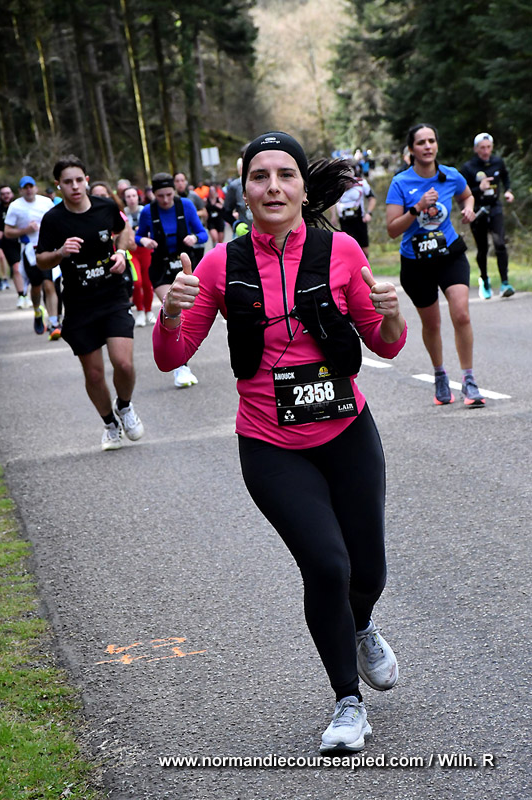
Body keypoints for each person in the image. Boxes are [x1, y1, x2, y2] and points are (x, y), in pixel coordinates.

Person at [153, 131, 407, 752]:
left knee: (368, 571)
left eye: (285, 174)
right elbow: (171, 357)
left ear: (301, 187)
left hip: (347, 432)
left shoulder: (340, 250)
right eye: (260, 176)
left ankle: (360, 623)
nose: (273, 186)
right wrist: (170, 312)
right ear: (243, 189)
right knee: (327, 565)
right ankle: (348, 703)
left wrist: (392, 312)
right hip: (270, 443)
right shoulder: (221, 265)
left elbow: (388, 344)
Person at [36, 155, 144, 451]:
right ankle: (110, 424)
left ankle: (125, 405)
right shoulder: (53, 219)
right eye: (67, 182)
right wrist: (60, 252)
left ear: (86, 180)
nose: (74, 186)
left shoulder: (105, 206)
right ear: (58, 185)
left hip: (112, 296)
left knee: (123, 363)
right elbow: (41, 259)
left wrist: (120, 253)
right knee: (94, 373)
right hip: (79, 303)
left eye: (78, 180)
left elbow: (124, 230)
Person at [386, 123, 485, 408]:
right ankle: (440, 374)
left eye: (431, 141)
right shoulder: (400, 182)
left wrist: (468, 208)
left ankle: (469, 380)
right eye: (421, 142)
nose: (427, 146)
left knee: (461, 313)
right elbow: (392, 230)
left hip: (449, 254)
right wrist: (416, 207)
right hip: (416, 262)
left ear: (437, 145)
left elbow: (467, 194)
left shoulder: (450, 175)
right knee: (432, 323)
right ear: (412, 149)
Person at [135, 172, 208, 388]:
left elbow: (202, 233)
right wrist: (144, 240)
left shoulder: (185, 205)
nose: (165, 200)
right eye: (160, 196)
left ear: (174, 191)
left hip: (184, 265)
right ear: (153, 194)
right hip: (161, 268)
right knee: (171, 306)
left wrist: (194, 237)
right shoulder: (148, 211)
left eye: (169, 194)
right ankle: (181, 367)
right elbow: (138, 236)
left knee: (185, 313)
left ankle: (181, 360)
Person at [4, 176, 61, 339]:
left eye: (31, 186)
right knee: (36, 287)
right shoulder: (15, 206)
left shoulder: (46, 202)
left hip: (47, 248)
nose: (29, 190)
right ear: (20, 191)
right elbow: (8, 232)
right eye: (25, 187)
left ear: (36, 188)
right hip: (30, 251)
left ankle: (54, 323)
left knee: (49, 283)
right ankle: (37, 310)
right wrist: (25, 230)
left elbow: (57, 221)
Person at [460, 132, 515, 299]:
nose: (486, 151)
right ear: (476, 149)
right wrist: (479, 188)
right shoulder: (468, 167)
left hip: (495, 207)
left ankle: (505, 283)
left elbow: (505, 177)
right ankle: (484, 280)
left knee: (500, 244)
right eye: (482, 148)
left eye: (488, 147)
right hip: (477, 210)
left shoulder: (498, 162)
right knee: (482, 248)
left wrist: (508, 191)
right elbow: (462, 192)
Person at [123, 185, 154, 326]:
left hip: (146, 250)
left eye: (134, 196)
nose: (131, 199)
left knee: (148, 283)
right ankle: (140, 311)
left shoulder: (146, 211)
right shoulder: (123, 213)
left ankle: (149, 311)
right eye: (128, 196)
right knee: (137, 282)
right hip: (131, 252)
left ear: (138, 197)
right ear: (125, 199)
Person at [330, 165, 376, 257]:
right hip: (345, 221)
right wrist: (333, 216)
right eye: (345, 181)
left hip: (359, 219)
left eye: (350, 180)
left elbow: (372, 198)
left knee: (364, 250)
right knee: (349, 248)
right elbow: (331, 202)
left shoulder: (361, 183)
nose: (348, 184)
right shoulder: (336, 186)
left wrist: (369, 213)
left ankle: (365, 264)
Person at [174, 172, 207, 268]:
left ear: (186, 182)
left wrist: (192, 214)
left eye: (182, 180)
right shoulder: (171, 199)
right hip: (181, 240)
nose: (180, 183)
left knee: (197, 267)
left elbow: (204, 212)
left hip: (196, 237)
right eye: (177, 181)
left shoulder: (193, 196)